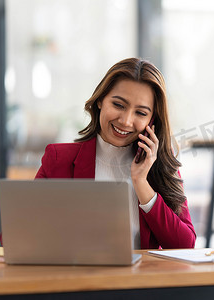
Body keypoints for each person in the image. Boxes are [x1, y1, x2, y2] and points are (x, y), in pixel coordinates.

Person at [35, 57, 196, 249]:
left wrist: (141, 183)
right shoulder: (58, 159)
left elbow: (185, 245)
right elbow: (21, 234)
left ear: (152, 120)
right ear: (101, 100)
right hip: (79, 277)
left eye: (141, 113)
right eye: (119, 105)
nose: (126, 121)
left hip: (141, 279)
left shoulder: (158, 164)